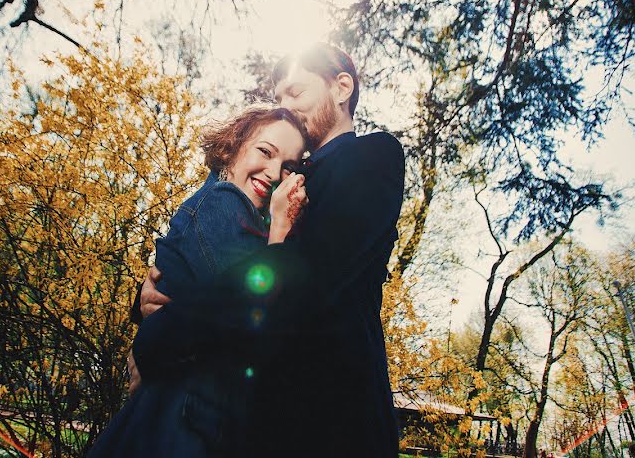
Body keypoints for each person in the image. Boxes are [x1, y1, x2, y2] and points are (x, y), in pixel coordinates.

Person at [129, 43, 406, 457]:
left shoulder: (371, 157)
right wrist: (153, 295)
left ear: (341, 87)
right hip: (253, 425)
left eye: (296, 93)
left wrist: (161, 333)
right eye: (278, 98)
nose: (287, 107)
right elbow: (215, 248)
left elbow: (306, 282)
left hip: (335, 423)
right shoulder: (276, 182)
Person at [88, 105, 310, 457]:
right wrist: (281, 234)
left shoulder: (239, 215)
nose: (272, 173)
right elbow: (250, 312)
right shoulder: (224, 201)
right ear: (232, 147)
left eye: (287, 168)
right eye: (264, 152)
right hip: (183, 421)